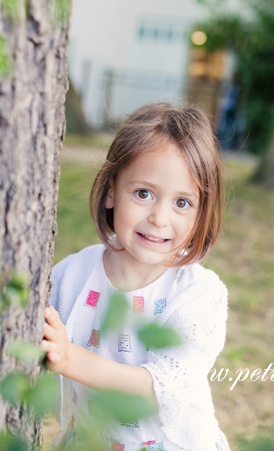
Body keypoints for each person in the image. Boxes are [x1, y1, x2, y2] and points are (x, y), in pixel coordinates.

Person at [42, 102, 230, 450]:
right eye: (143, 193)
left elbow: (160, 389)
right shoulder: (73, 275)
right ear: (112, 190)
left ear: (201, 211)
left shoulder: (200, 295)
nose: (159, 217)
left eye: (182, 203)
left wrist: (71, 359)